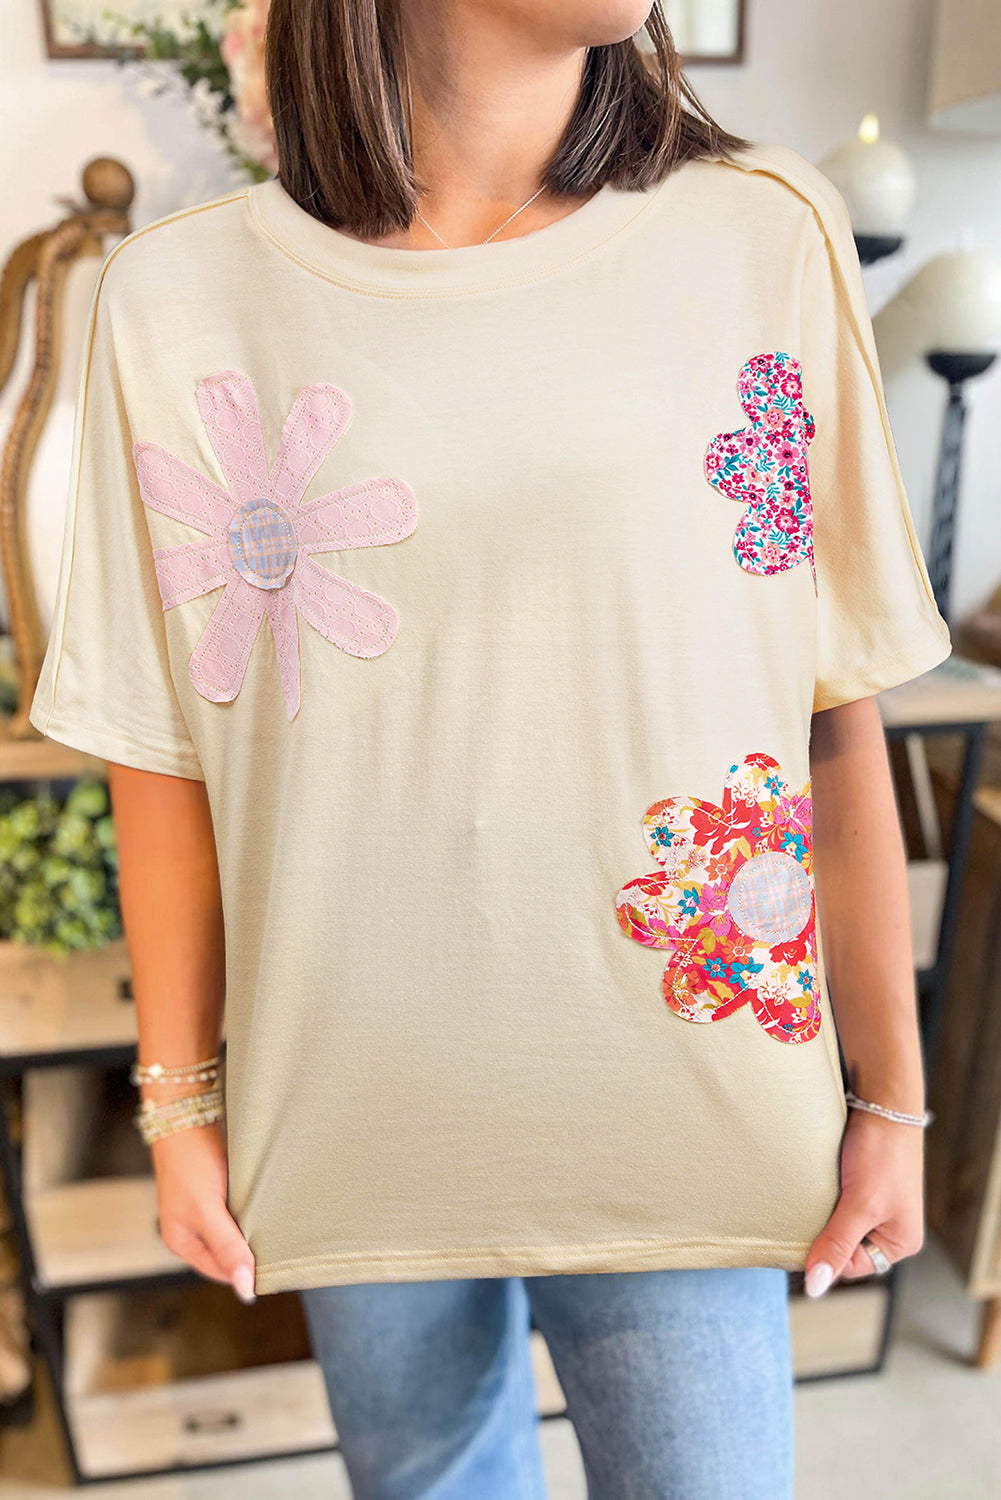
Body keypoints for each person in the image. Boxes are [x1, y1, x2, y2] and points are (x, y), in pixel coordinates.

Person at [29, 3, 948, 1496]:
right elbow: (160, 750)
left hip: (686, 1106)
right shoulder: (182, 298)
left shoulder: (758, 238)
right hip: (348, 1101)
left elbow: (827, 701)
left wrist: (890, 1095)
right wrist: (180, 1109)